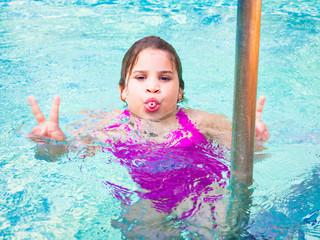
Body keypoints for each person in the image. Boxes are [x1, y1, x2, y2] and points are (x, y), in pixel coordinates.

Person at [28, 36, 270, 237]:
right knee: (133, 226)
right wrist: (51, 143)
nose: (152, 87)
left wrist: (255, 138)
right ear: (123, 90)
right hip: (150, 200)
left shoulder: (200, 121)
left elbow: (250, 156)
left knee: (219, 229)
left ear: (180, 92)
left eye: (164, 78)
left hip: (202, 193)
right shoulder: (107, 124)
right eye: (141, 77)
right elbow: (66, 155)